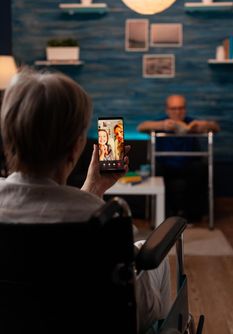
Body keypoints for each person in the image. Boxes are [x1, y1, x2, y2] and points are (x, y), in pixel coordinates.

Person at [0, 68, 171, 333]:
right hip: (94, 321)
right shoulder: (107, 219)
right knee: (151, 253)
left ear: (9, 136)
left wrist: (93, 187)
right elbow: (141, 310)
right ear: (76, 147)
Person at [137, 94, 220, 221]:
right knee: (157, 170)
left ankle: (191, 216)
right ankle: (162, 216)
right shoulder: (162, 121)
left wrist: (203, 125)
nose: (177, 112)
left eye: (180, 108)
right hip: (165, 166)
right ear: (167, 110)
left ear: (185, 109)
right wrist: (162, 125)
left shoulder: (190, 122)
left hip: (188, 165)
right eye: (173, 108)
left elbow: (216, 128)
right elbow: (141, 126)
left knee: (200, 168)